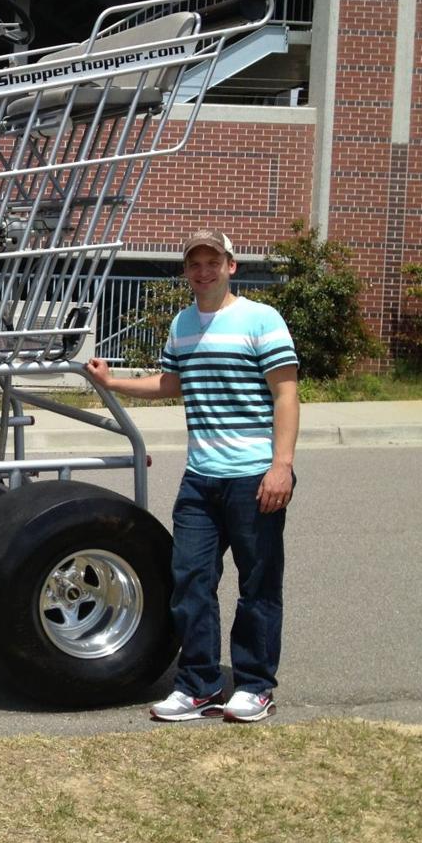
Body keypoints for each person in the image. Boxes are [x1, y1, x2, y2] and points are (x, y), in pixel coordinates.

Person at [86, 229, 299, 724]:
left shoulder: (260, 320)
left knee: (258, 585)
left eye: (213, 262)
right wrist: (111, 380)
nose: (203, 271)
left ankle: (254, 685)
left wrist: (281, 466)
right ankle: (199, 686)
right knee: (190, 581)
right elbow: (171, 382)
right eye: (194, 264)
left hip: (254, 477)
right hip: (201, 479)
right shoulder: (183, 325)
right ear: (186, 271)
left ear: (231, 266)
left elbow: (286, 393)